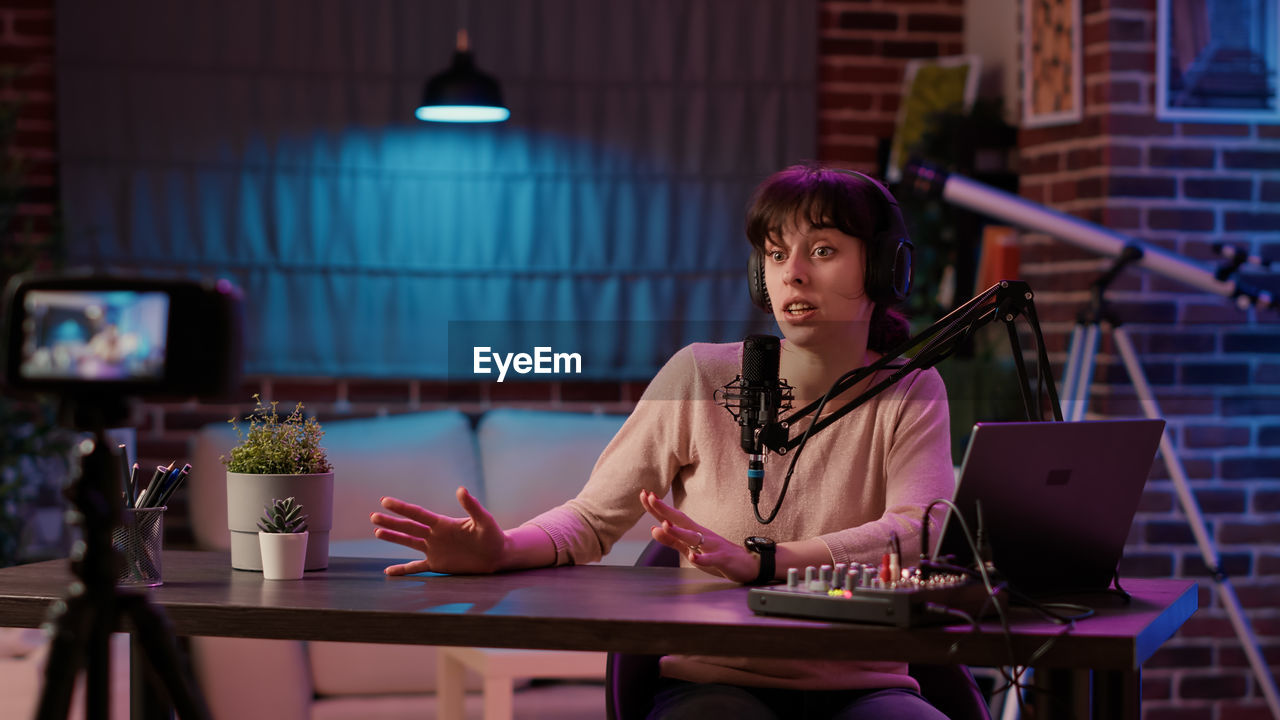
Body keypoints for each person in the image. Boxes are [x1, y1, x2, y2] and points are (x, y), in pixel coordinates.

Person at [370, 162, 955, 719]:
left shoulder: (912, 391)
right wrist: (503, 551)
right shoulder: (700, 376)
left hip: (864, 687)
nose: (792, 273)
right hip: (712, 680)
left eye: (821, 250)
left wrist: (766, 563)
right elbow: (593, 519)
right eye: (775, 254)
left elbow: (917, 531)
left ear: (880, 268)